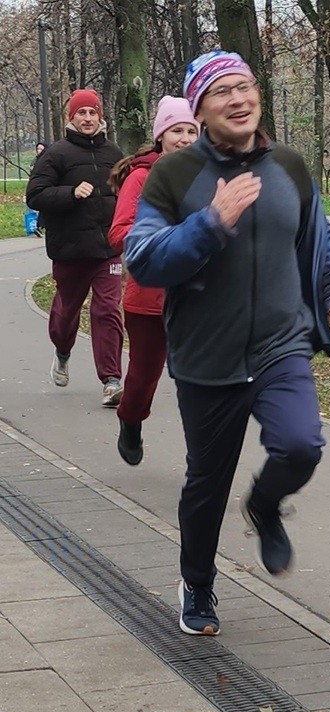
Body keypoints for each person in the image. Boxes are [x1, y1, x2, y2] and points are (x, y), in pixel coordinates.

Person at [124, 50, 330, 637]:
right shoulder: (173, 176)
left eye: (245, 86)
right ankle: (197, 584)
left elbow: (318, 237)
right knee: (207, 483)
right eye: (223, 91)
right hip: (208, 357)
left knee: (301, 445)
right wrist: (209, 223)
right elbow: (143, 259)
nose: (240, 98)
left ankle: (265, 504)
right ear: (200, 109)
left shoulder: (290, 166)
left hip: (281, 344)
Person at [107, 96, 200, 465]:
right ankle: (130, 419)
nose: (185, 138)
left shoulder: (208, 176)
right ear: (161, 135)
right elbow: (119, 232)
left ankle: (205, 456)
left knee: (200, 381)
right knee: (144, 376)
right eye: (177, 130)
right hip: (150, 298)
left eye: (192, 131)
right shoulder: (142, 177)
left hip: (198, 298)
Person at [27, 88, 124, 406]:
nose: (87, 118)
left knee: (107, 309)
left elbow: (127, 193)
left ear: (100, 117)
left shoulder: (113, 152)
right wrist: (70, 193)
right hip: (70, 250)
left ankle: (111, 380)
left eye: (92, 112)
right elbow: (36, 195)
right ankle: (63, 349)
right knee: (66, 313)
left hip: (108, 249)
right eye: (81, 112)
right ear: (71, 117)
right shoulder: (56, 154)